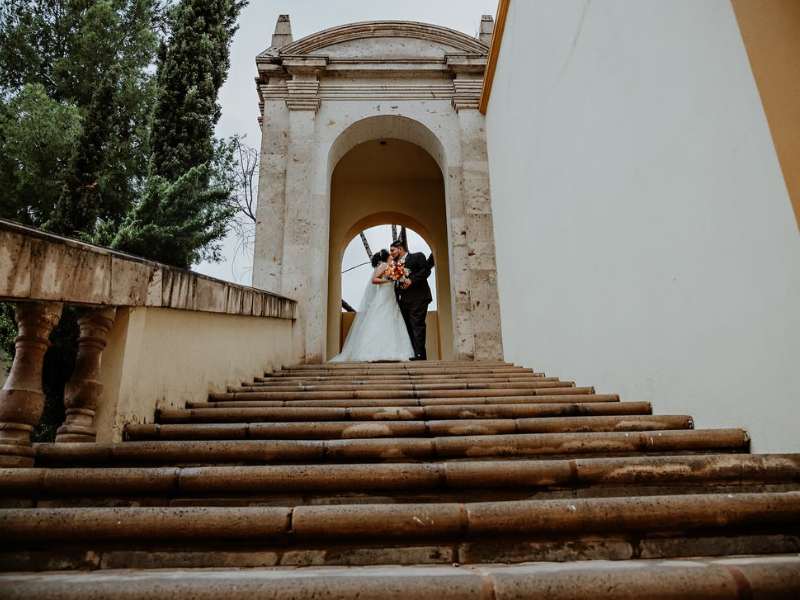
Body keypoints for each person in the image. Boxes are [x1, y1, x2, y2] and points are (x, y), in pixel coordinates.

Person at [330, 249, 415, 362]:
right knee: (381, 319)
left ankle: (393, 351)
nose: (391, 256)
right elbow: (374, 280)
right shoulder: (384, 265)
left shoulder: (391, 267)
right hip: (383, 296)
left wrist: (400, 278)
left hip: (391, 297)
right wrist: (388, 280)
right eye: (390, 255)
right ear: (386, 257)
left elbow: (395, 278)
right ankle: (376, 352)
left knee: (392, 320)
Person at [390, 240, 433, 361]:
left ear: (400, 248)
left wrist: (411, 280)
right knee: (408, 327)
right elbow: (395, 281)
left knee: (417, 325)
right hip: (403, 300)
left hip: (419, 297)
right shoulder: (395, 265)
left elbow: (426, 271)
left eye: (393, 250)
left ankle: (420, 355)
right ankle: (413, 353)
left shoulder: (417, 256)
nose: (391, 253)